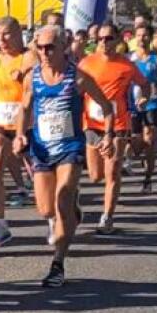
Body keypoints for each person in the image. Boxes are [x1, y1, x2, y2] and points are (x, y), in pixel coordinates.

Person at [15, 26, 115, 286]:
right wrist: (19, 134)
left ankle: (57, 264)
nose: (45, 52)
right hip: (42, 150)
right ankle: (74, 208)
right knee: (45, 209)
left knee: (61, 201)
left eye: (50, 47)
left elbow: (106, 107)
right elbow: (24, 109)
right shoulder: (32, 77)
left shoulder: (78, 78)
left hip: (70, 149)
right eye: (41, 47)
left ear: (63, 47)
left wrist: (108, 136)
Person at [77, 22, 148, 234]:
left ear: (117, 40)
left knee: (113, 171)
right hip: (92, 123)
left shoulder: (127, 65)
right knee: (95, 176)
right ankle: (78, 205)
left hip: (118, 123)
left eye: (108, 38)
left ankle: (107, 217)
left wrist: (145, 96)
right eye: (99, 39)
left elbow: (144, 84)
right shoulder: (86, 63)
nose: (103, 43)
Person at [0, 16, 32, 247]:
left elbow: (29, 80)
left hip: (27, 122)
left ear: (18, 34)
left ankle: (54, 218)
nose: (2, 39)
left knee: (41, 175)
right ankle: (1, 225)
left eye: (7, 34)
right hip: (1, 121)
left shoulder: (28, 56)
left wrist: (23, 73)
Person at [129, 25, 157, 194]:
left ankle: (148, 177)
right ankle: (138, 155)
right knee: (137, 143)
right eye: (139, 35)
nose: (142, 38)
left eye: (145, 35)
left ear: (150, 38)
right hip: (134, 105)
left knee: (150, 140)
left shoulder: (156, 60)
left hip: (152, 104)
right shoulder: (130, 59)